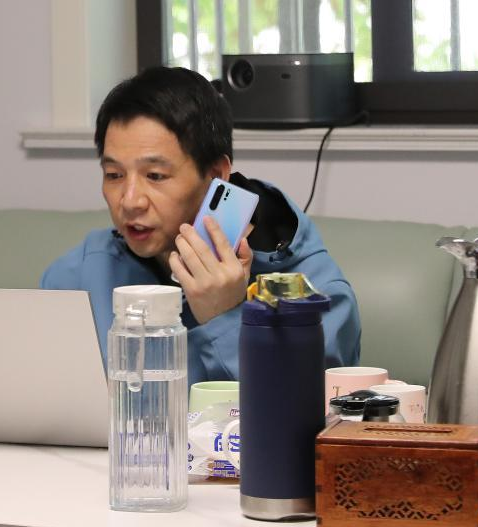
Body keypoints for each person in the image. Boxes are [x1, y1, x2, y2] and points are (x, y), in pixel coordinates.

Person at [40, 66, 360, 383]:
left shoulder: (319, 296)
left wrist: (224, 315)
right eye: (114, 175)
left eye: (155, 176)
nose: (130, 201)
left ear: (216, 175)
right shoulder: (78, 277)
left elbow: (301, 410)